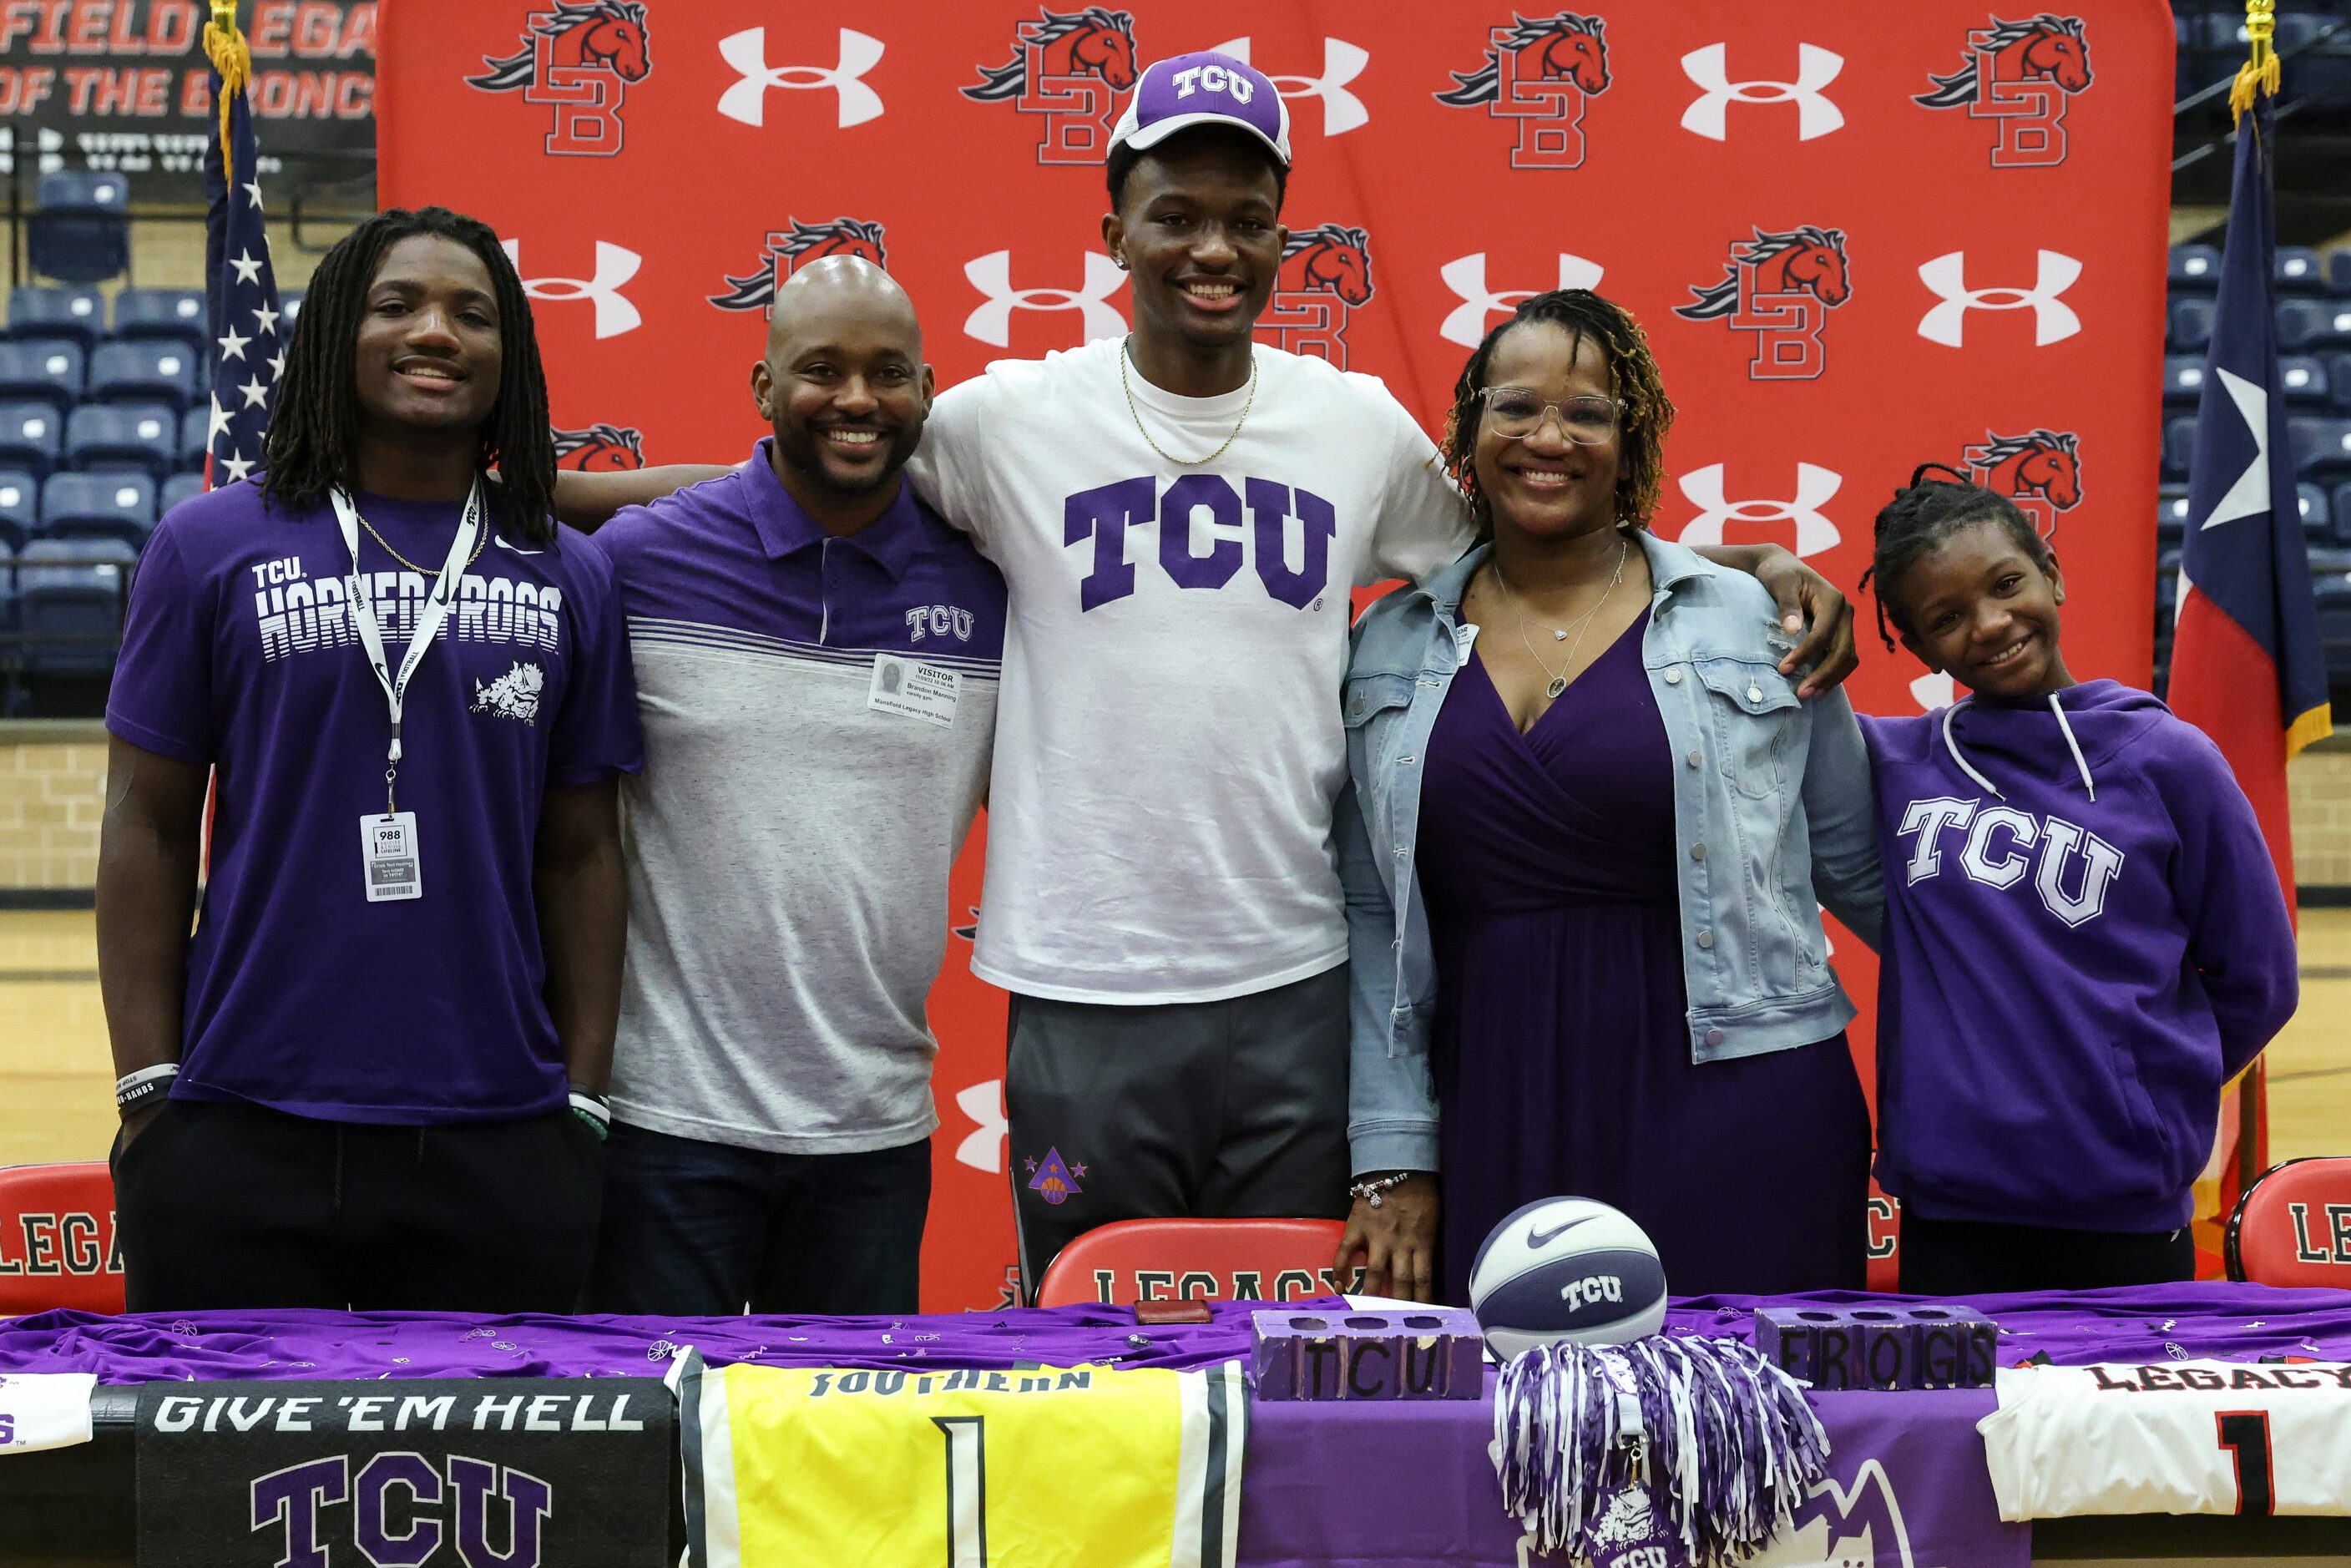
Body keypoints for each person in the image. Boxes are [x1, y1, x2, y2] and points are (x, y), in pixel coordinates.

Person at [554, 53, 1860, 1300]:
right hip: (1082, 982)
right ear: (1114, 231)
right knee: (1090, 1335)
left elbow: (1541, 543)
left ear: (1286, 234)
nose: (1214, 249)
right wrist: (534, 493)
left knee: (1290, 1351)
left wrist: (1728, 565)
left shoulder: (1351, 426)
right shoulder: (1003, 421)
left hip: (1291, 982)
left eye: (1248, 218)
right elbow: (801, 467)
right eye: (1176, 214)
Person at [95, 206, 640, 1312]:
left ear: (510, 358)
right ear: (339, 333)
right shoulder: (209, 545)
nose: (435, 331)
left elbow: (582, 851)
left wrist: (582, 1102)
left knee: (496, 1485)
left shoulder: (568, 573)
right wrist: (152, 1090)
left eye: (471, 314)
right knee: (231, 1484)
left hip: (502, 1131)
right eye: (398, 305)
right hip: (239, 1117)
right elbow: (146, 823)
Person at [1334, 291, 1883, 1305]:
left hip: (1741, 1095)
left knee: (1745, 1433)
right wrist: (1392, 1150)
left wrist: (2054, 1000)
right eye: (1515, 407)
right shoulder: (1388, 645)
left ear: (1631, 441)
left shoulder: (1752, 616)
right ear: (1466, 430)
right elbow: (1377, 918)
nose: (1549, 436)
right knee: (1516, 1444)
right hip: (1493, 1093)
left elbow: (1861, 868)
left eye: (1587, 413)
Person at [582, 257, 1004, 1316]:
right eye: (821, 369)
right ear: (765, 391)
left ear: (927, 391)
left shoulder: (992, 581)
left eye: (889, 373)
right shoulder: (643, 559)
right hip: (660, 1127)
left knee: (848, 1470)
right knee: (656, 1469)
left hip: (872, 1133)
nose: (857, 400)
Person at [1857, 467, 2298, 1293]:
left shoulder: (2170, 761)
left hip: (2121, 1211)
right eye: (1945, 619)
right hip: (1950, 1216)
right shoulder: (1891, 763)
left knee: (2121, 1423)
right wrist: (1772, 569)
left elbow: (2259, 981)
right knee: (1967, 1428)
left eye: (2005, 584)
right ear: (1915, 647)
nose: (1989, 625)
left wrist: (2134, 1093)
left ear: (2050, 573)